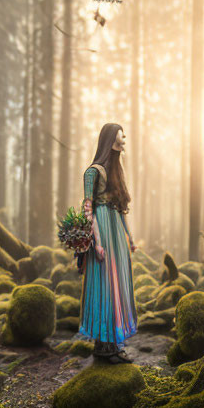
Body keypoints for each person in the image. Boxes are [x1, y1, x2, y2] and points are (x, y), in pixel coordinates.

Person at [78, 123, 138, 364]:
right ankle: (103, 347)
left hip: (116, 234)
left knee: (117, 285)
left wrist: (130, 239)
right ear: (111, 139)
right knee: (104, 285)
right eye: (120, 135)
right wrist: (97, 243)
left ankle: (113, 343)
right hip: (102, 231)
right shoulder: (93, 172)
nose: (124, 139)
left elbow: (121, 209)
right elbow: (88, 208)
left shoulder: (115, 172)